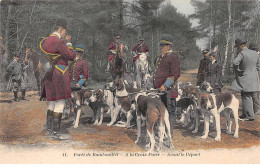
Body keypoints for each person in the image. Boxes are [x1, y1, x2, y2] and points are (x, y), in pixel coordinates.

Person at [39, 18, 76, 139]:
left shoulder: (46, 41)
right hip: (59, 73)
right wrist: (69, 43)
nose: (65, 34)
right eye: (65, 31)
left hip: (49, 74)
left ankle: (49, 130)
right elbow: (72, 56)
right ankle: (56, 132)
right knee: (60, 101)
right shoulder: (59, 42)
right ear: (61, 29)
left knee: (51, 102)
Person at [153, 34, 180, 135]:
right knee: (160, 110)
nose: (161, 47)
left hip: (168, 90)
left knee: (170, 111)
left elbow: (175, 74)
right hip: (158, 89)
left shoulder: (173, 57)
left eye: (163, 45)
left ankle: (169, 132)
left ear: (169, 46)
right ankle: (161, 130)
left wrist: (165, 85)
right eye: (160, 45)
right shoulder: (161, 57)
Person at [231, 38, 260, 121]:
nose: (237, 48)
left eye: (237, 47)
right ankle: (245, 114)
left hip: (245, 77)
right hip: (254, 78)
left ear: (241, 46)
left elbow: (235, 62)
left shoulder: (242, 53)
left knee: (246, 96)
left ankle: (250, 116)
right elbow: (258, 66)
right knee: (249, 96)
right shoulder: (255, 53)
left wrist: (239, 70)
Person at [69, 44, 89, 120]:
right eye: (76, 52)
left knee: (77, 103)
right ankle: (72, 113)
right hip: (71, 83)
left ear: (82, 53)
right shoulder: (72, 62)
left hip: (79, 84)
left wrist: (79, 83)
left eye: (79, 52)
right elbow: (69, 73)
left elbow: (85, 75)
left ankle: (77, 117)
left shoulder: (84, 62)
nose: (77, 53)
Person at [248, 43, 260, 115]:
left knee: (255, 94)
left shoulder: (257, 56)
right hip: (255, 76)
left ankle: (257, 109)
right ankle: (255, 109)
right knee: (255, 94)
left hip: (256, 76)